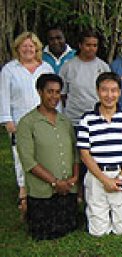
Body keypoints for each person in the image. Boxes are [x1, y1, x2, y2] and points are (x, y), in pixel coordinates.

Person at [77, 72, 122, 236]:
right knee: (98, 231)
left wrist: (119, 179)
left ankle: (117, 216)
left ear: (119, 92)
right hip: (97, 175)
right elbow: (84, 154)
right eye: (105, 90)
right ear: (98, 91)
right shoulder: (87, 120)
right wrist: (105, 180)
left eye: (114, 90)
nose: (109, 95)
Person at [16, 73, 78, 240]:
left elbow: (75, 153)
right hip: (43, 192)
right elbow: (28, 161)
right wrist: (54, 182)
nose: (54, 96)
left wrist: (74, 178)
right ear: (39, 92)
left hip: (67, 189)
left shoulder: (65, 122)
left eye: (58, 92)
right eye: (50, 91)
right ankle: (26, 209)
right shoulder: (27, 123)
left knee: (70, 227)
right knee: (44, 232)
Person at [0, 32, 54, 215]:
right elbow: (4, 96)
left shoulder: (46, 68)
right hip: (20, 120)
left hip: (44, 118)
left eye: (31, 46)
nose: (28, 49)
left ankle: (45, 187)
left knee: (44, 154)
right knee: (21, 156)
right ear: (18, 48)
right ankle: (23, 190)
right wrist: (7, 120)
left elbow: (54, 94)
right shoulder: (9, 70)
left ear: (37, 48)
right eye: (24, 46)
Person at [60, 29, 110, 126]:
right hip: (74, 120)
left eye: (94, 45)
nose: (91, 48)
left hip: (97, 119)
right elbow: (63, 94)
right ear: (80, 45)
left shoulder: (103, 67)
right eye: (88, 45)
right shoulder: (68, 66)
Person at [42, 27, 76, 112]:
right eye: (51, 39)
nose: (55, 42)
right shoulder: (40, 57)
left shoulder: (76, 56)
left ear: (65, 38)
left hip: (70, 105)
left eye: (59, 38)